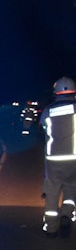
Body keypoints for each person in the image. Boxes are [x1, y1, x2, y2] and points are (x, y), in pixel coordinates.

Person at [41, 76, 76, 237]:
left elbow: (43, 128)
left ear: (55, 92)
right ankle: (67, 214)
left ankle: (51, 227)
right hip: (74, 157)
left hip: (54, 158)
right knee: (72, 188)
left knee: (52, 191)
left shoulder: (48, 111)